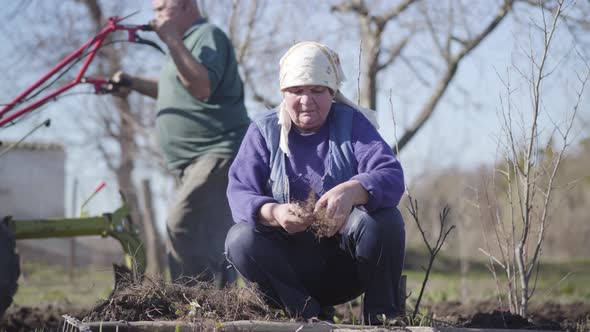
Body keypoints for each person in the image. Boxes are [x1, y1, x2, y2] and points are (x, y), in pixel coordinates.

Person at [224, 41, 406, 324]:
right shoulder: (263, 131)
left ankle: (383, 319)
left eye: (317, 90)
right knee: (240, 239)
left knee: (385, 220)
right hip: (289, 271)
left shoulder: (352, 124)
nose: (306, 100)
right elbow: (239, 192)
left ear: (332, 92)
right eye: (297, 91)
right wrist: (274, 212)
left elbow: (391, 175)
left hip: (345, 266)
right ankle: (305, 316)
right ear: (284, 93)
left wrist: (353, 191)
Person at [110, 0, 250, 287]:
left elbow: (201, 85)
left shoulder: (207, 35)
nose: (156, 15)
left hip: (218, 152)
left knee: (182, 225)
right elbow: (175, 87)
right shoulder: (183, 46)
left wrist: (171, 38)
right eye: (154, 9)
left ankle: (194, 306)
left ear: (186, 6)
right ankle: (214, 305)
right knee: (207, 235)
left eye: (163, 8)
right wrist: (133, 82)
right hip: (196, 161)